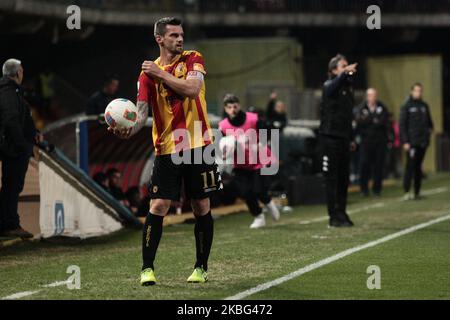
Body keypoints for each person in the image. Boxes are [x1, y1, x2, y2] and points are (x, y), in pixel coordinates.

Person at [108, 17, 221, 285]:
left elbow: (193, 90)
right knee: (158, 205)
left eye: (181, 35)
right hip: (167, 148)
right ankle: (147, 268)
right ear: (160, 39)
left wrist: (161, 74)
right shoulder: (146, 75)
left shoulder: (193, 58)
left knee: (201, 205)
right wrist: (127, 130)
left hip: (198, 145)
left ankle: (201, 267)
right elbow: (142, 114)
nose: (180, 39)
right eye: (173, 36)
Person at [219, 94, 280, 229]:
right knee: (245, 192)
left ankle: (268, 203)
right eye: (229, 107)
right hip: (241, 163)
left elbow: (268, 132)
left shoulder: (253, 119)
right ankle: (258, 216)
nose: (232, 110)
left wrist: (259, 145)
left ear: (239, 106)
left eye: (235, 106)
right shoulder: (223, 126)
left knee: (259, 190)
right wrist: (225, 153)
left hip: (258, 160)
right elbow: (222, 146)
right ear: (225, 108)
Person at [0, 59, 40, 238]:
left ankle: (8, 223)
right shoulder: (9, 92)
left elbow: (21, 118)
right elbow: (11, 120)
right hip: (13, 148)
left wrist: (34, 132)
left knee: (11, 186)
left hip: (12, 146)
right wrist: (22, 145)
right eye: (22, 71)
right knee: (12, 186)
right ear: (17, 73)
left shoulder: (11, 91)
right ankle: (10, 225)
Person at [319, 54, 357, 228]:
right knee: (331, 179)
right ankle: (332, 216)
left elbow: (348, 117)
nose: (347, 68)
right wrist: (343, 74)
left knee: (343, 178)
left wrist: (352, 137)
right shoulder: (329, 85)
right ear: (334, 70)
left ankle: (342, 212)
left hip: (343, 139)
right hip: (330, 139)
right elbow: (332, 87)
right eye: (343, 66)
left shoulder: (348, 88)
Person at [399, 83, 433, 200]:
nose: (418, 93)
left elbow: (429, 123)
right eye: (416, 91)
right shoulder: (406, 106)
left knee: (418, 167)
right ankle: (407, 191)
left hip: (422, 142)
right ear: (412, 91)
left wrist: (428, 135)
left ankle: (417, 192)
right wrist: (405, 141)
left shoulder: (424, 106)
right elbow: (402, 125)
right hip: (411, 142)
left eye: (420, 91)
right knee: (410, 166)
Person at [356, 88, 389, 197]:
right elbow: (360, 122)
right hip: (366, 142)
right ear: (367, 96)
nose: (372, 98)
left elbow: (383, 122)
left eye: (374, 95)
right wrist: (373, 120)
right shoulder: (361, 108)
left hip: (379, 142)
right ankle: (363, 189)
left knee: (378, 166)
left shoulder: (382, 107)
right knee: (364, 165)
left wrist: (369, 120)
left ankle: (377, 190)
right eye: (370, 95)